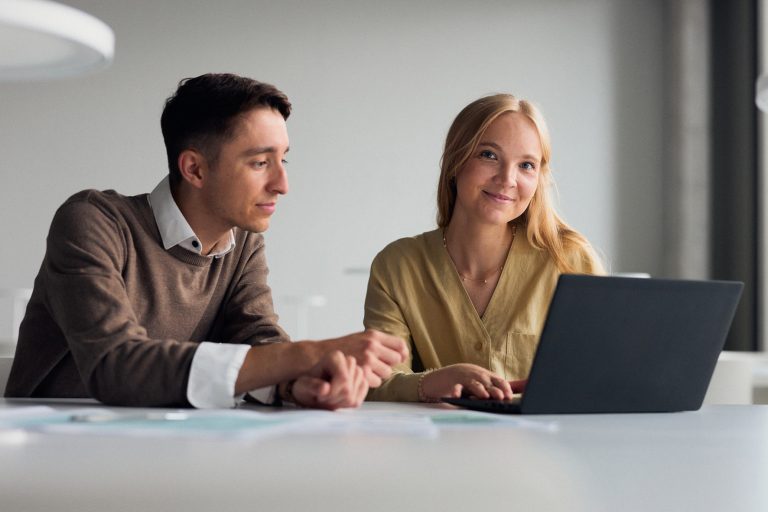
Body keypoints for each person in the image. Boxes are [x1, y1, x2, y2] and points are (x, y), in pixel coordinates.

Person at [5, 73, 407, 410]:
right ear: (195, 169)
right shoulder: (93, 221)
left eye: (283, 159)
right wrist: (305, 355)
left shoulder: (244, 242)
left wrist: (295, 384)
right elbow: (116, 365)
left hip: (172, 446)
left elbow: (257, 339)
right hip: (53, 454)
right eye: (260, 162)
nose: (282, 184)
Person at [364, 94, 603, 402]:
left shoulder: (570, 261)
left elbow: (603, 380)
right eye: (489, 155)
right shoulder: (397, 266)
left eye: (526, 165)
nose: (507, 179)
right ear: (455, 161)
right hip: (436, 449)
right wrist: (433, 382)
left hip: (545, 447)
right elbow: (378, 383)